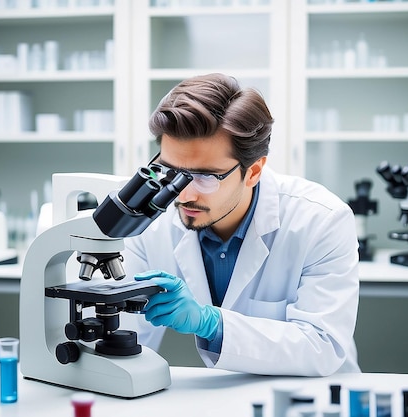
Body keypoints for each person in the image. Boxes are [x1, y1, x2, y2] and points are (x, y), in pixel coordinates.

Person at [122, 73, 360, 376]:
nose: (182, 193)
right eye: (170, 172)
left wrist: (212, 323)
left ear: (254, 171)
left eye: (205, 176)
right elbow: (127, 337)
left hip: (311, 396)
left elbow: (322, 346)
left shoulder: (321, 219)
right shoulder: (149, 223)